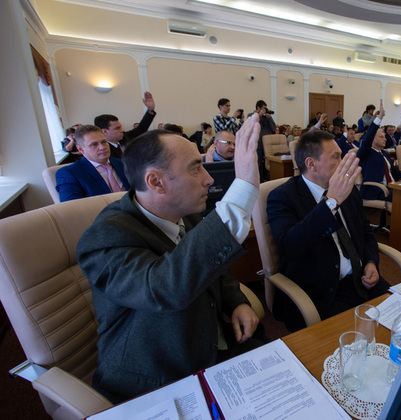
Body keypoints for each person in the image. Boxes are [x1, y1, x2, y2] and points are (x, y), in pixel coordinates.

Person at [76, 114, 265, 404]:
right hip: (157, 377)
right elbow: (165, 287)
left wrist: (236, 301)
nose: (209, 179)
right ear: (156, 182)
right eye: (195, 168)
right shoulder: (103, 238)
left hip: (211, 344)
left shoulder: (186, 212)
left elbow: (215, 266)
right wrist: (242, 190)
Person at [266, 129, 390, 331]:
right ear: (311, 164)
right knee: (359, 341)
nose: (343, 162)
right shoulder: (282, 197)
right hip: (323, 292)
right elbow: (291, 246)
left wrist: (371, 261)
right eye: (336, 157)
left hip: (362, 280)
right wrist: (331, 202)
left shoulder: (347, 188)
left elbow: (366, 231)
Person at [56, 124, 130, 202]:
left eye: (104, 142)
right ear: (81, 149)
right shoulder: (69, 174)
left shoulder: (122, 163)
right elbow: (72, 207)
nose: (102, 147)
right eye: (94, 144)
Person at [356, 101, 401, 201]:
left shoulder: (384, 153)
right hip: (377, 190)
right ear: (372, 140)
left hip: (393, 187)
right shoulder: (366, 152)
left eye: (384, 137)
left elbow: (393, 169)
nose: (385, 139)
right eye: (381, 137)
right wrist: (379, 118)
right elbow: (367, 138)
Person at [94, 91, 156, 159]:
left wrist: (150, 110)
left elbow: (141, 128)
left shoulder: (124, 137)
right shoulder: (103, 151)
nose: (122, 130)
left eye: (120, 127)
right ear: (104, 131)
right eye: (117, 128)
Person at [249, 100, 276, 181]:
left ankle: (269, 179)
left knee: (269, 162)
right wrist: (259, 116)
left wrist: (269, 118)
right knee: (259, 164)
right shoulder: (251, 116)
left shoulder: (266, 118)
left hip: (267, 143)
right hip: (258, 144)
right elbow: (253, 126)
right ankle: (260, 180)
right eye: (263, 108)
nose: (265, 110)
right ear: (258, 108)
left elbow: (273, 128)